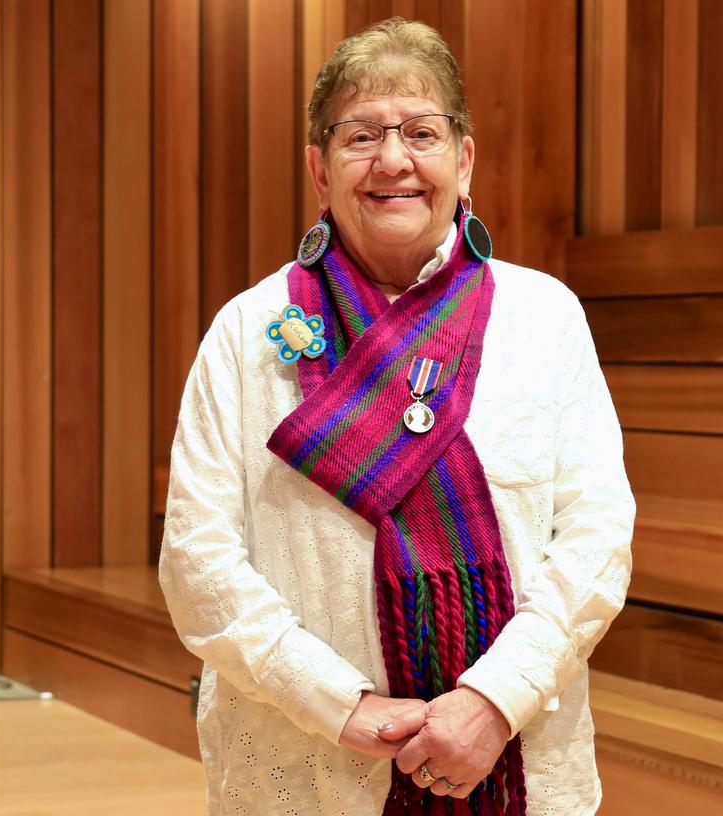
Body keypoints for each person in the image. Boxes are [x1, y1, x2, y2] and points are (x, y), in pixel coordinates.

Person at [160, 17, 634, 815]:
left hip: (512, 755)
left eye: (422, 132)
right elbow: (197, 561)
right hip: (307, 767)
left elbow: (595, 539)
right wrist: (339, 705)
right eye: (360, 137)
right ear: (318, 169)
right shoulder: (247, 333)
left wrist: (491, 701)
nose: (393, 161)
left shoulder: (543, 317)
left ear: (464, 158)